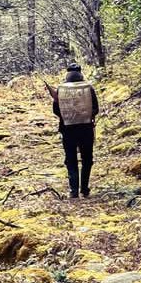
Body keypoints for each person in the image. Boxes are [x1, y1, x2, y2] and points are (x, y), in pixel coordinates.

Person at [53, 63, 99, 198]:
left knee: (71, 159)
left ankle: (73, 190)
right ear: (80, 73)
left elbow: (56, 110)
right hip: (86, 129)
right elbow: (95, 108)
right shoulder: (88, 88)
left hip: (68, 130)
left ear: (67, 74)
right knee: (87, 159)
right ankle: (84, 189)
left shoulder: (61, 89)